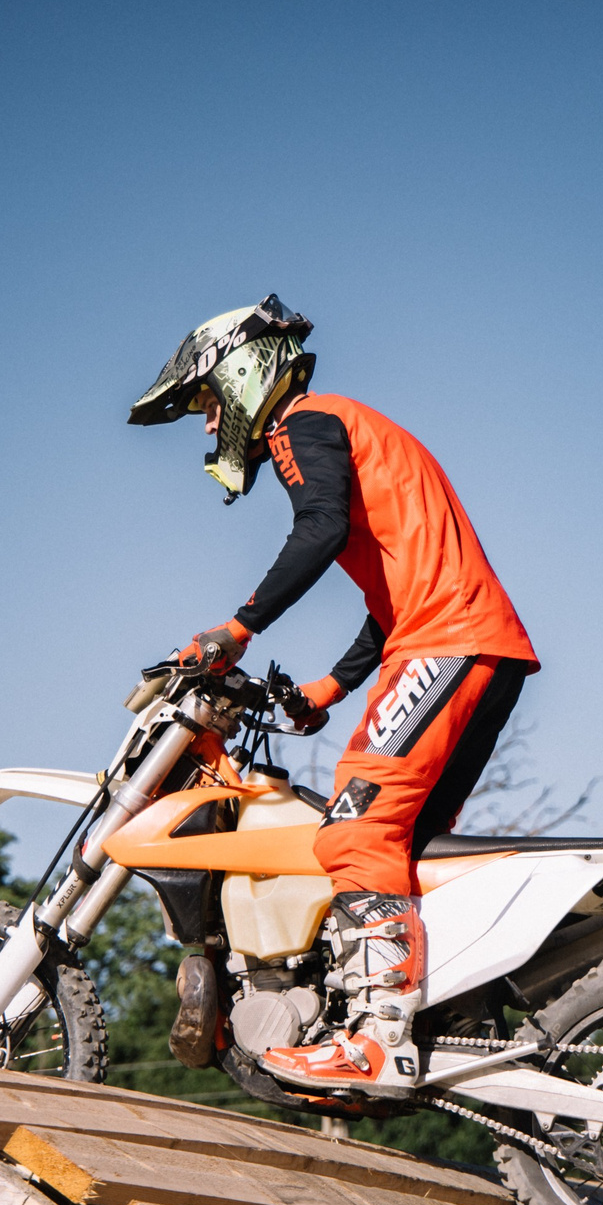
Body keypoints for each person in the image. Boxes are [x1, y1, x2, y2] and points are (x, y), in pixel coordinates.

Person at [128, 297, 538, 1096]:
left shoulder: (303, 423)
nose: (209, 426)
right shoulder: (353, 428)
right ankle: (433, 1015)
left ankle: (380, 1041)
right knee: (407, 847)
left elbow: (317, 528)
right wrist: (332, 684)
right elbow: (394, 590)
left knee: (355, 828)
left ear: (244, 377)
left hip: (447, 641)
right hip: (476, 645)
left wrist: (236, 631)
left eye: (208, 402)